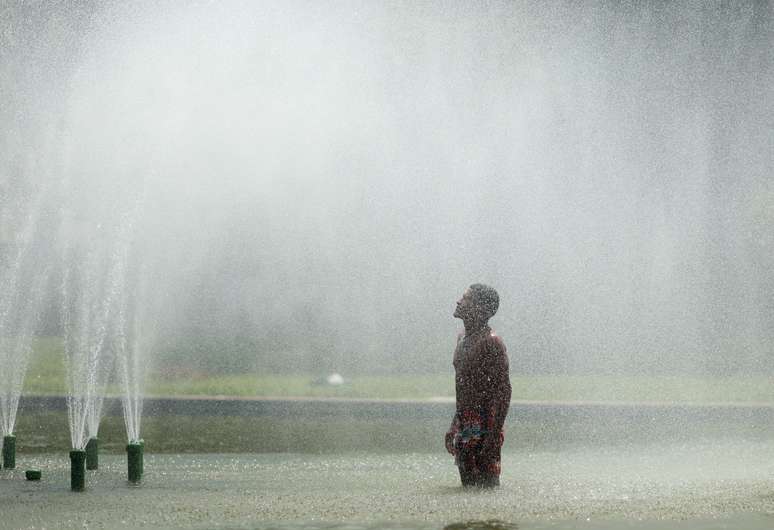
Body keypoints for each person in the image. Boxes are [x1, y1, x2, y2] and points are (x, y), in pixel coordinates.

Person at [445, 283, 511, 488]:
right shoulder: (462, 338)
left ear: (481, 309)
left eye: (466, 298)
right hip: (465, 422)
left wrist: (492, 437)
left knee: (486, 488)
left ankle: (492, 520)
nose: (459, 301)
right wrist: (455, 423)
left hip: (485, 426)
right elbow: (464, 387)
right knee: (468, 488)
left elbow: (504, 391)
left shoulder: (491, 342)